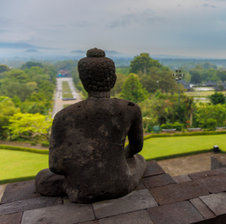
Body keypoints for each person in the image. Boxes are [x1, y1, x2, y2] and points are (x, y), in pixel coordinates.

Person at [35, 48, 147, 203]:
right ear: (113, 79)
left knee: (43, 177)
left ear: (83, 81)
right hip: (121, 183)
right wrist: (115, 159)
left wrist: (84, 167)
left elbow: (56, 166)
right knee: (139, 159)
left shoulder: (64, 116)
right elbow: (135, 148)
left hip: (81, 189)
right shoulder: (130, 109)